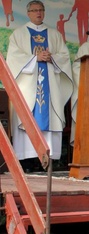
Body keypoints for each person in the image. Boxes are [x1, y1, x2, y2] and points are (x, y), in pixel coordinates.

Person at [7, 0, 73, 169]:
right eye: (34, 10)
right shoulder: (18, 34)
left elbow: (64, 56)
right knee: (27, 116)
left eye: (41, 10)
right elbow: (13, 59)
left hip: (50, 86)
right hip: (28, 88)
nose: (38, 13)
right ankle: (28, 161)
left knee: (50, 117)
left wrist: (53, 58)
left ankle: (49, 160)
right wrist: (35, 58)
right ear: (28, 13)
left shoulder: (54, 34)